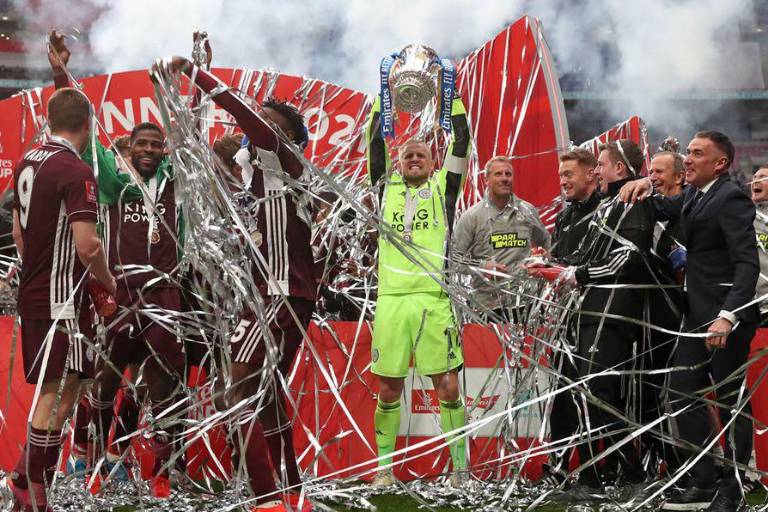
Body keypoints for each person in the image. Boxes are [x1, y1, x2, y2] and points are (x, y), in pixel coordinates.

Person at [165, 55, 315, 512]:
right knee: (265, 394)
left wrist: (196, 74)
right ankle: (291, 492)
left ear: (284, 138)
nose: (253, 131)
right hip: (275, 292)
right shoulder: (261, 183)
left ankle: (266, 499)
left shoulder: (282, 159)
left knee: (235, 390)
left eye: (266, 124)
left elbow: (243, 113)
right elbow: (204, 158)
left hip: (279, 292)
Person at [48, 33, 188, 498]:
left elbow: (188, 138)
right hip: (121, 292)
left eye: (156, 144)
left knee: (164, 383)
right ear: (129, 148)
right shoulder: (112, 181)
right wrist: (61, 76)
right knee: (106, 380)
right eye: (141, 143)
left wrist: (175, 84)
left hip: (165, 294)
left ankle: (159, 470)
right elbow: (82, 136)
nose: (149, 149)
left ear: (163, 151)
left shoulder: (176, 183)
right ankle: (86, 456)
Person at [621, 131, 759, 512]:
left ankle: (733, 489)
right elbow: (666, 206)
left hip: (724, 320)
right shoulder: (697, 195)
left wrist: (727, 316)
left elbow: (747, 264)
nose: (688, 159)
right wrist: (642, 184)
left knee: (730, 403)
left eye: (697, 153)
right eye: (689, 152)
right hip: (696, 316)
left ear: (720, 163)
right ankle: (703, 479)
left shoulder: (730, 197)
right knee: (680, 393)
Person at [8, 86, 116, 511]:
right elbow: (88, 246)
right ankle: (33, 494)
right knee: (57, 395)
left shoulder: (27, 161)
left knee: (68, 388)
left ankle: (25, 474)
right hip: (61, 302)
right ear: (88, 125)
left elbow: (18, 235)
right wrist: (109, 283)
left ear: (49, 121)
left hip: (37, 293)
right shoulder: (74, 170)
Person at [365, 89, 471, 487]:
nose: (413, 158)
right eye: (407, 154)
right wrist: (385, 94)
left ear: (432, 163)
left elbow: (462, 139)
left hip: (432, 299)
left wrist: (449, 94)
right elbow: (374, 141)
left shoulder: (444, 189)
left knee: (447, 385)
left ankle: (459, 469)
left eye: (421, 155)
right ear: (398, 162)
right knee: (389, 388)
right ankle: (384, 470)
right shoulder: (385, 188)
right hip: (391, 300)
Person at [539, 140, 654, 501]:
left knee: (600, 395)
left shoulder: (631, 201)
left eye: (601, 165)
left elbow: (628, 258)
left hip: (612, 312)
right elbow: (583, 258)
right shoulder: (604, 208)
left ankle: (630, 473)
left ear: (616, 169)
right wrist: (554, 265)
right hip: (584, 312)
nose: (598, 171)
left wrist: (576, 274)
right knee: (581, 395)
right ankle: (589, 477)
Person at [539, 148, 600, 487]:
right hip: (567, 318)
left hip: (598, 316)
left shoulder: (606, 211)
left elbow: (595, 266)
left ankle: (594, 471)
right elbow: (561, 260)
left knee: (593, 394)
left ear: (591, 174)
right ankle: (558, 466)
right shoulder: (564, 216)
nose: (563, 181)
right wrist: (545, 262)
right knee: (562, 393)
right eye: (561, 175)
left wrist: (561, 271)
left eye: (569, 174)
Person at [452, 155, 550, 318]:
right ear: (486, 180)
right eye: (498, 174)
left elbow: (547, 243)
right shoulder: (472, 216)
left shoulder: (527, 211)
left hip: (526, 304)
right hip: (487, 307)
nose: (504, 178)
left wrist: (544, 262)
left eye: (508, 174)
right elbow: (453, 258)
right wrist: (482, 266)